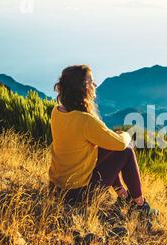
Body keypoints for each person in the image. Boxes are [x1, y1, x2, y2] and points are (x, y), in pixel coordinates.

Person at [48, 65, 156, 219]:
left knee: (102, 149)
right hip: (77, 196)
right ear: (82, 87)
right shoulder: (86, 120)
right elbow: (120, 144)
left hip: (56, 188)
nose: (95, 85)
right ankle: (139, 204)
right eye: (91, 81)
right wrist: (126, 135)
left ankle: (123, 196)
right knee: (126, 151)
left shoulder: (56, 111)